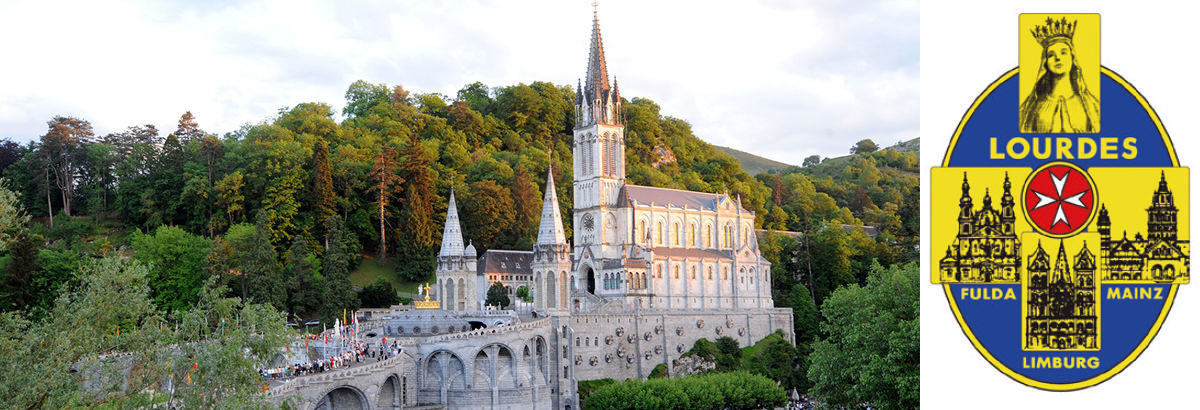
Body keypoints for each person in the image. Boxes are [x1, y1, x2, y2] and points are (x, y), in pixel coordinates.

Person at [1018, 17, 1099, 133]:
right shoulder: (1032, 107)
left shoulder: (1090, 105)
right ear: (1045, 63)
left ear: (1073, 58)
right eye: (1051, 54)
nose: (1058, 58)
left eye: (1063, 52)